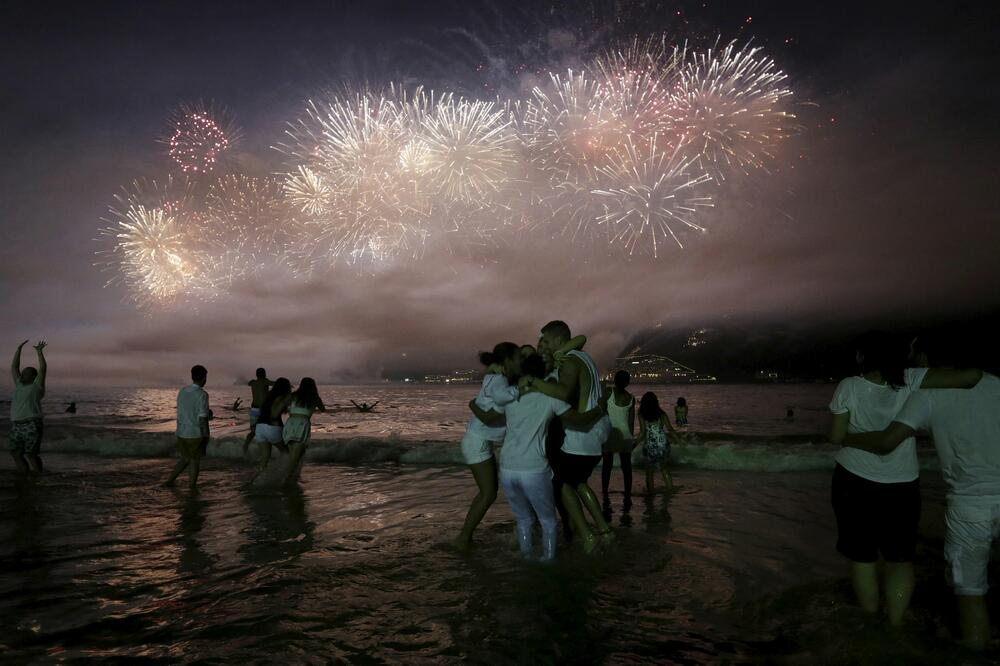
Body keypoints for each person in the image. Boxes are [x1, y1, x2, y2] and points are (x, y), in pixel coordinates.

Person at [842, 333, 990, 647]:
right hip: (944, 496)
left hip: (972, 504)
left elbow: (885, 442)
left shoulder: (927, 394)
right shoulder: (996, 382)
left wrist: (845, 438)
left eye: (914, 353)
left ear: (924, 358)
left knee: (971, 592)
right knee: (903, 558)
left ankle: (976, 653)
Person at [472, 354, 604, 561]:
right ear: (542, 374)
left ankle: (526, 559)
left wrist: (472, 405)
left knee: (523, 519)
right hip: (533, 469)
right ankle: (548, 563)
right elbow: (578, 420)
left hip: (507, 468)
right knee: (548, 521)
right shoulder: (550, 399)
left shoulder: (509, 396)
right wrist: (599, 408)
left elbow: (488, 417)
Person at [525, 321, 612, 553]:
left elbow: (563, 393)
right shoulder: (581, 356)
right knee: (578, 481)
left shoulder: (569, 362)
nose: (542, 344)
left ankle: (587, 536)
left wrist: (533, 383)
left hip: (581, 434)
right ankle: (604, 530)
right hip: (596, 432)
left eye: (545, 340)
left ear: (558, 342)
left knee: (560, 483)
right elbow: (580, 338)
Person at [454, 342, 522, 549]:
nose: (522, 362)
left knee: (488, 492)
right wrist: (521, 390)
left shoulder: (496, 378)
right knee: (488, 493)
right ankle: (464, 538)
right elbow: (498, 404)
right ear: (507, 361)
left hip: (479, 440)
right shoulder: (500, 381)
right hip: (477, 441)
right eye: (518, 358)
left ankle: (465, 536)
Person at [165, 365, 210, 490]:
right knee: (195, 460)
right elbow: (202, 418)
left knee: (185, 458)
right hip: (194, 433)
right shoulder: (202, 394)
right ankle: (192, 487)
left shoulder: (182, 391)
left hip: (181, 432)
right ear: (204, 378)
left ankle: (170, 481)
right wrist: (206, 435)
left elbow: (185, 410)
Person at [9, 340, 47, 474]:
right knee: (16, 453)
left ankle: (38, 478)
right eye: (23, 372)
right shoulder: (19, 384)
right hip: (16, 424)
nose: (22, 374)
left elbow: (42, 369)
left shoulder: (37, 386)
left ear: (33, 376)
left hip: (32, 423)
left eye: (26, 373)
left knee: (31, 455)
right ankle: (24, 476)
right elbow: (14, 367)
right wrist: (18, 349)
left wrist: (39, 352)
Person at [602, 370, 635, 514]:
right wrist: (631, 439)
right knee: (626, 468)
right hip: (625, 435)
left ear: (614, 381)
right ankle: (627, 494)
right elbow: (631, 422)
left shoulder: (608, 393)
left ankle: (604, 493)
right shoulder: (631, 398)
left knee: (607, 466)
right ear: (627, 382)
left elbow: (601, 411)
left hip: (611, 434)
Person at [282, 377, 326, 487]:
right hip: (302, 424)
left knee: (297, 455)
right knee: (295, 458)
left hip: (290, 423)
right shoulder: (314, 397)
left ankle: (294, 478)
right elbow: (323, 409)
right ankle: (285, 482)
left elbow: (285, 407)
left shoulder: (293, 396)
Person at [251, 378, 292, 482]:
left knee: (265, 456)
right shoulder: (282, 398)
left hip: (260, 428)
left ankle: (258, 480)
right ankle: (286, 477)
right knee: (287, 453)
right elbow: (274, 414)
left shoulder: (269, 396)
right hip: (272, 428)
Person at [636, 392, 675, 494]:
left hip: (650, 446)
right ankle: (670, 490)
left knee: (649, 472)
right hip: (663, 445)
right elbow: (670, 429)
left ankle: (651, 492)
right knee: (664, 469)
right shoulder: (661, 414)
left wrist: (634, 444)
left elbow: (643, 433)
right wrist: (679, 440)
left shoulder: (642, 415)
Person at [244, 368, 274, 453]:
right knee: (267, 430)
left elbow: (249, 383)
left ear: (256, 375)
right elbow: (274, 384)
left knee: (253, 431)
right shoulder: (265, 382)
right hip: (262, 410)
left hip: (254, 409)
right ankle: (266, 450)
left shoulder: (253, 382)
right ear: (264, 374)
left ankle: (245, 445)